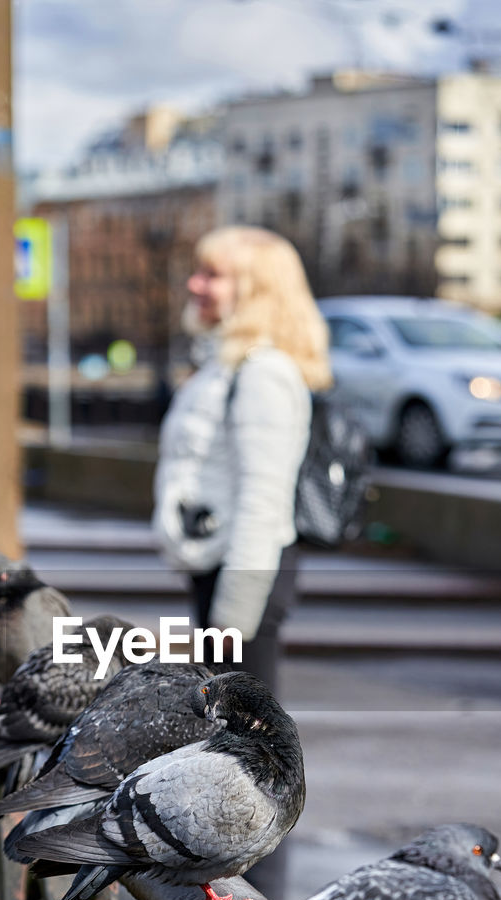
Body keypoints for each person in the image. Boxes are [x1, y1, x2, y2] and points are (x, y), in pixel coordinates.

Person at [152, 225, 331, 697]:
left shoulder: (263, 373)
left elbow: (263, 498)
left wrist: (234, 618)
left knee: (249, 746)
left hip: (245, 577)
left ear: (256, 290)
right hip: (220, 569)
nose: (195, 285)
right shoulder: (226, 365)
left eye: (212, 275)